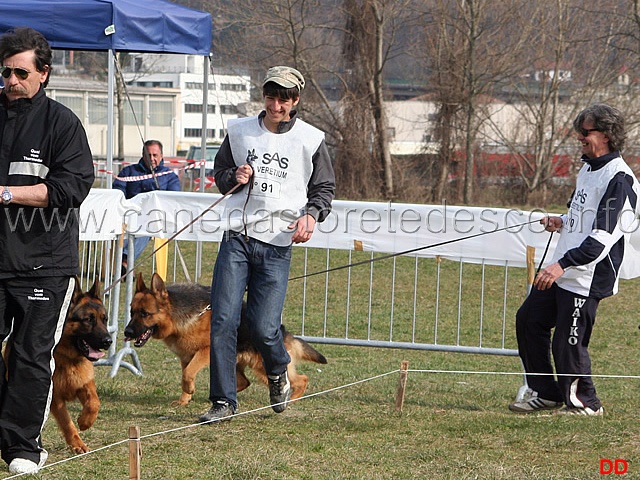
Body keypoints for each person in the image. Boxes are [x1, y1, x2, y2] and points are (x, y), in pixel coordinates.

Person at [199, 66, 335, 423]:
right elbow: (221, 171)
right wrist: (234, 176)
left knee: (262, 327)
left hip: (278, 244)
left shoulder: (311, 139)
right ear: (264, 96)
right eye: (272, 97)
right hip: (237, 239)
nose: (277, 105)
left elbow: (323, 189)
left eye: (285, 98)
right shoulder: (240, 130)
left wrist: (311, 216)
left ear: (296, 100)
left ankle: (278, 368)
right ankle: (223, 402)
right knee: (223, 321)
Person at [0, 27, 94, 474]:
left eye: (21, 72)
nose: (11, 81)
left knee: (30, 356)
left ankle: (22, 447)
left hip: (44, 265)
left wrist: (6, 194)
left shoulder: (62, 124)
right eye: (5, 72)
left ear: (44, 74)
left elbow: (71, 187)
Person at [509, 104, 640, 416]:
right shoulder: (588, 168)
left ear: (607, 135)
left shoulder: (619, 179)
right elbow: (583, 216)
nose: (579, 137)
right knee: (529, 321)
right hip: (565, 267)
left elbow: (601, 239)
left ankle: (586, 404)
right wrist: (563, 221)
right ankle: (546, 393)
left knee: (569, 343)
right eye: (579, 131)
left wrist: (560, 265)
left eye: (586, 131)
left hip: (587, 274)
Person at [113, 140, 181, 268]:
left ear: (161, 156)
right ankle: (124, 263)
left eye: (155, 155)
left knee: (147, 228)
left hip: (155, 219)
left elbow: (174, 198)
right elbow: (118, 191)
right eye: (148, 155)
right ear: (142, 155)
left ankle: (125, 260)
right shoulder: (128, 172)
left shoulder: (169, 176)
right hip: (128, 215)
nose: (152, 159)